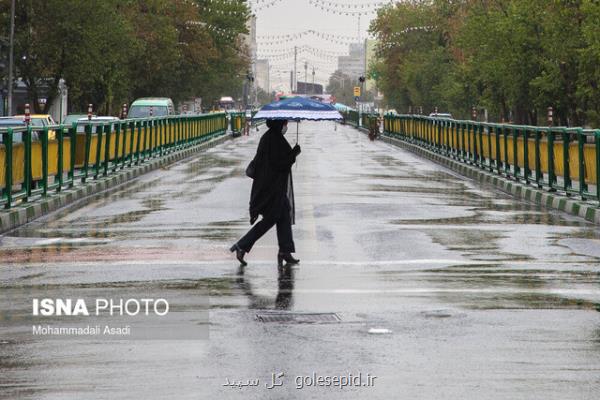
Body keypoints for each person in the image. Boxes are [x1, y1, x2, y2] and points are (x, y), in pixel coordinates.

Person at [230, 119, 301, 267]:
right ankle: (242, 245)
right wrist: (294, 153)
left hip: (274, 188)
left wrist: (292, 154)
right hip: (271, 189)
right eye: (285, 124)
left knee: (284, 215)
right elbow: (278, 164)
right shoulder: (272, 139)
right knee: (271, 219)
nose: (285, 127)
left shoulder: (272, 137)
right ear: (278, 124)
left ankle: (285, 251)